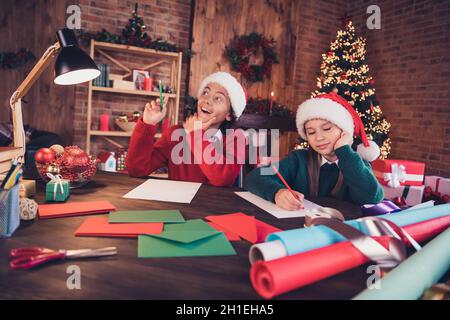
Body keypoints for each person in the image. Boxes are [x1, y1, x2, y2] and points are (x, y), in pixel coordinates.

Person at [244, 92, 384, 209]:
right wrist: (277, 193)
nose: (318, 137)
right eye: (311, 132)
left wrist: (344, 150)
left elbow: (372, 197)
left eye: (327, 129)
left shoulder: (357, 163)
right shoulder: (298, 159)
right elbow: (254, 178)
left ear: (345, 131)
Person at [126, 71, 247, 187]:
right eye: (205, 93)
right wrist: (147, 124)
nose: (207, 100)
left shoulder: (235, 140)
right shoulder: (175, 134)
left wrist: (195, 134)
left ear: (229, 114)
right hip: (178, 206)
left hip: (217, 207)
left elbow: (223, 179)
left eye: (218, 98)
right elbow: (137, 169)